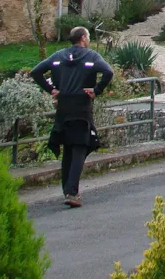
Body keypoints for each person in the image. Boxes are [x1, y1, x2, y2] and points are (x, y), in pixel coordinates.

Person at [30, 26, 114, 207]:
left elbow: (36, 72)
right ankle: (72, 192)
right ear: (83, 38)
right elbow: (108, 72)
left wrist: (51, 89)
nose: (89, 39)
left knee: (68, 147)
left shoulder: (59, 55)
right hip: (81, 106)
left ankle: (67, 190)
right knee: (80, 147)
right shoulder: (91, 56)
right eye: (88, 36)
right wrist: (96, 90)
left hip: (63, 107)